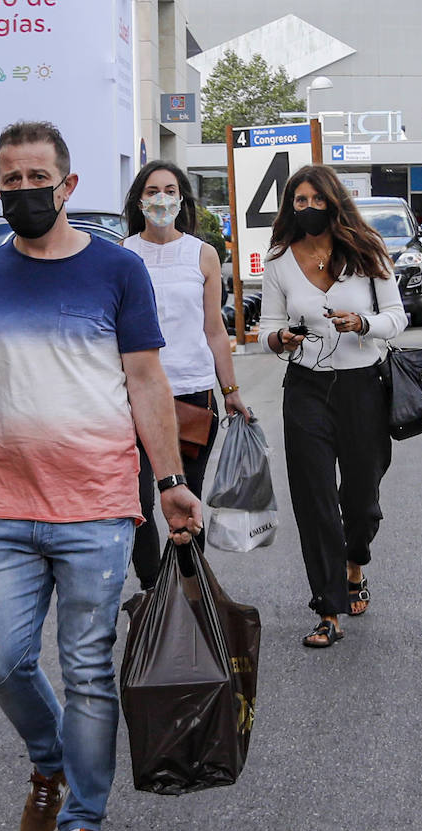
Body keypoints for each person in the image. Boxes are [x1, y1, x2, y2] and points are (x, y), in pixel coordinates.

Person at [0, 121, 201, 831]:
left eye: (39, 176)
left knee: (86, 671)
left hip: (99, 505)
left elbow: (145, 379)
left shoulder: (116, 270)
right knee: (2, 659)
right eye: (12, 177)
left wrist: (169, 479)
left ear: (67, 187)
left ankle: (84, 826)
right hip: (7, 504)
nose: (25, 188)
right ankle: (50, 764)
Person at [260, 164, 408, 649]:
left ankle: (355, 562)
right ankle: (328, 609)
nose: (307, 208)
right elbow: (266, 328)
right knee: (314, 498)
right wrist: (280, 338)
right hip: (306, 388)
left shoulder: (366, 251)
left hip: (363, 386)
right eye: (298, 201)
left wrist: (363, 325)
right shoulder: (279, 259)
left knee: (361, 499)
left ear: (333, 201)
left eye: (315, 200)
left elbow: (396, 317)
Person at [120, 160, 252, 587]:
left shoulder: (203, 254)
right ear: (140, 200)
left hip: (194, 396)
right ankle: (151, 591)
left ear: (182, 199)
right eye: (153, 190)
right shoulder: (124, 255)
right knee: (138, 501)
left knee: (185, 500)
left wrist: (230, 389)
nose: (162, 199)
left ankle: (188, 592)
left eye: (170, 190)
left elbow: (214, 329)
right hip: (135, 397)